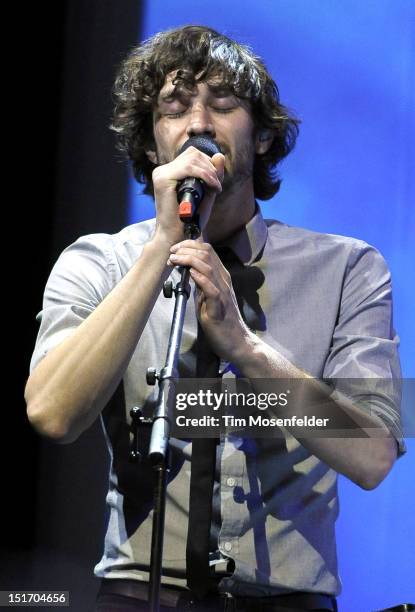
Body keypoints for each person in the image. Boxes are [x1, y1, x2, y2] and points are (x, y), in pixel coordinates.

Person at [25, 25, 404, 612]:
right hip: (139, 594)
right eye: (174, 108)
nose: (199, 123)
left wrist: (248, 349)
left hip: (286, 601)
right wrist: (159, 251)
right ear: (151, 146)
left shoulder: (348, 266)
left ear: (260, 138)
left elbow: (375, 454)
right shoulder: (96, 262)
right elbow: (52, 414)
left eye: (223, 104)